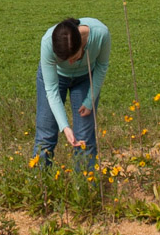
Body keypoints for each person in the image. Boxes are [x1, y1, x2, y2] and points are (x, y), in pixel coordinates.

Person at [35, 16, 110, 168]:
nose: (69, 63)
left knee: (84, 139)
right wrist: (65, 126)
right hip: (55, 78)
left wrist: (90, 100)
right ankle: (40, 185)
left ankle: (84, 187)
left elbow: (102, 67)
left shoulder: (101, 33)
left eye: (73, 58)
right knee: (46, 136)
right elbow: (51, 90)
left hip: (85, 79)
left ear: (82, 45)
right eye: (64, 59)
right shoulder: (47, 42)